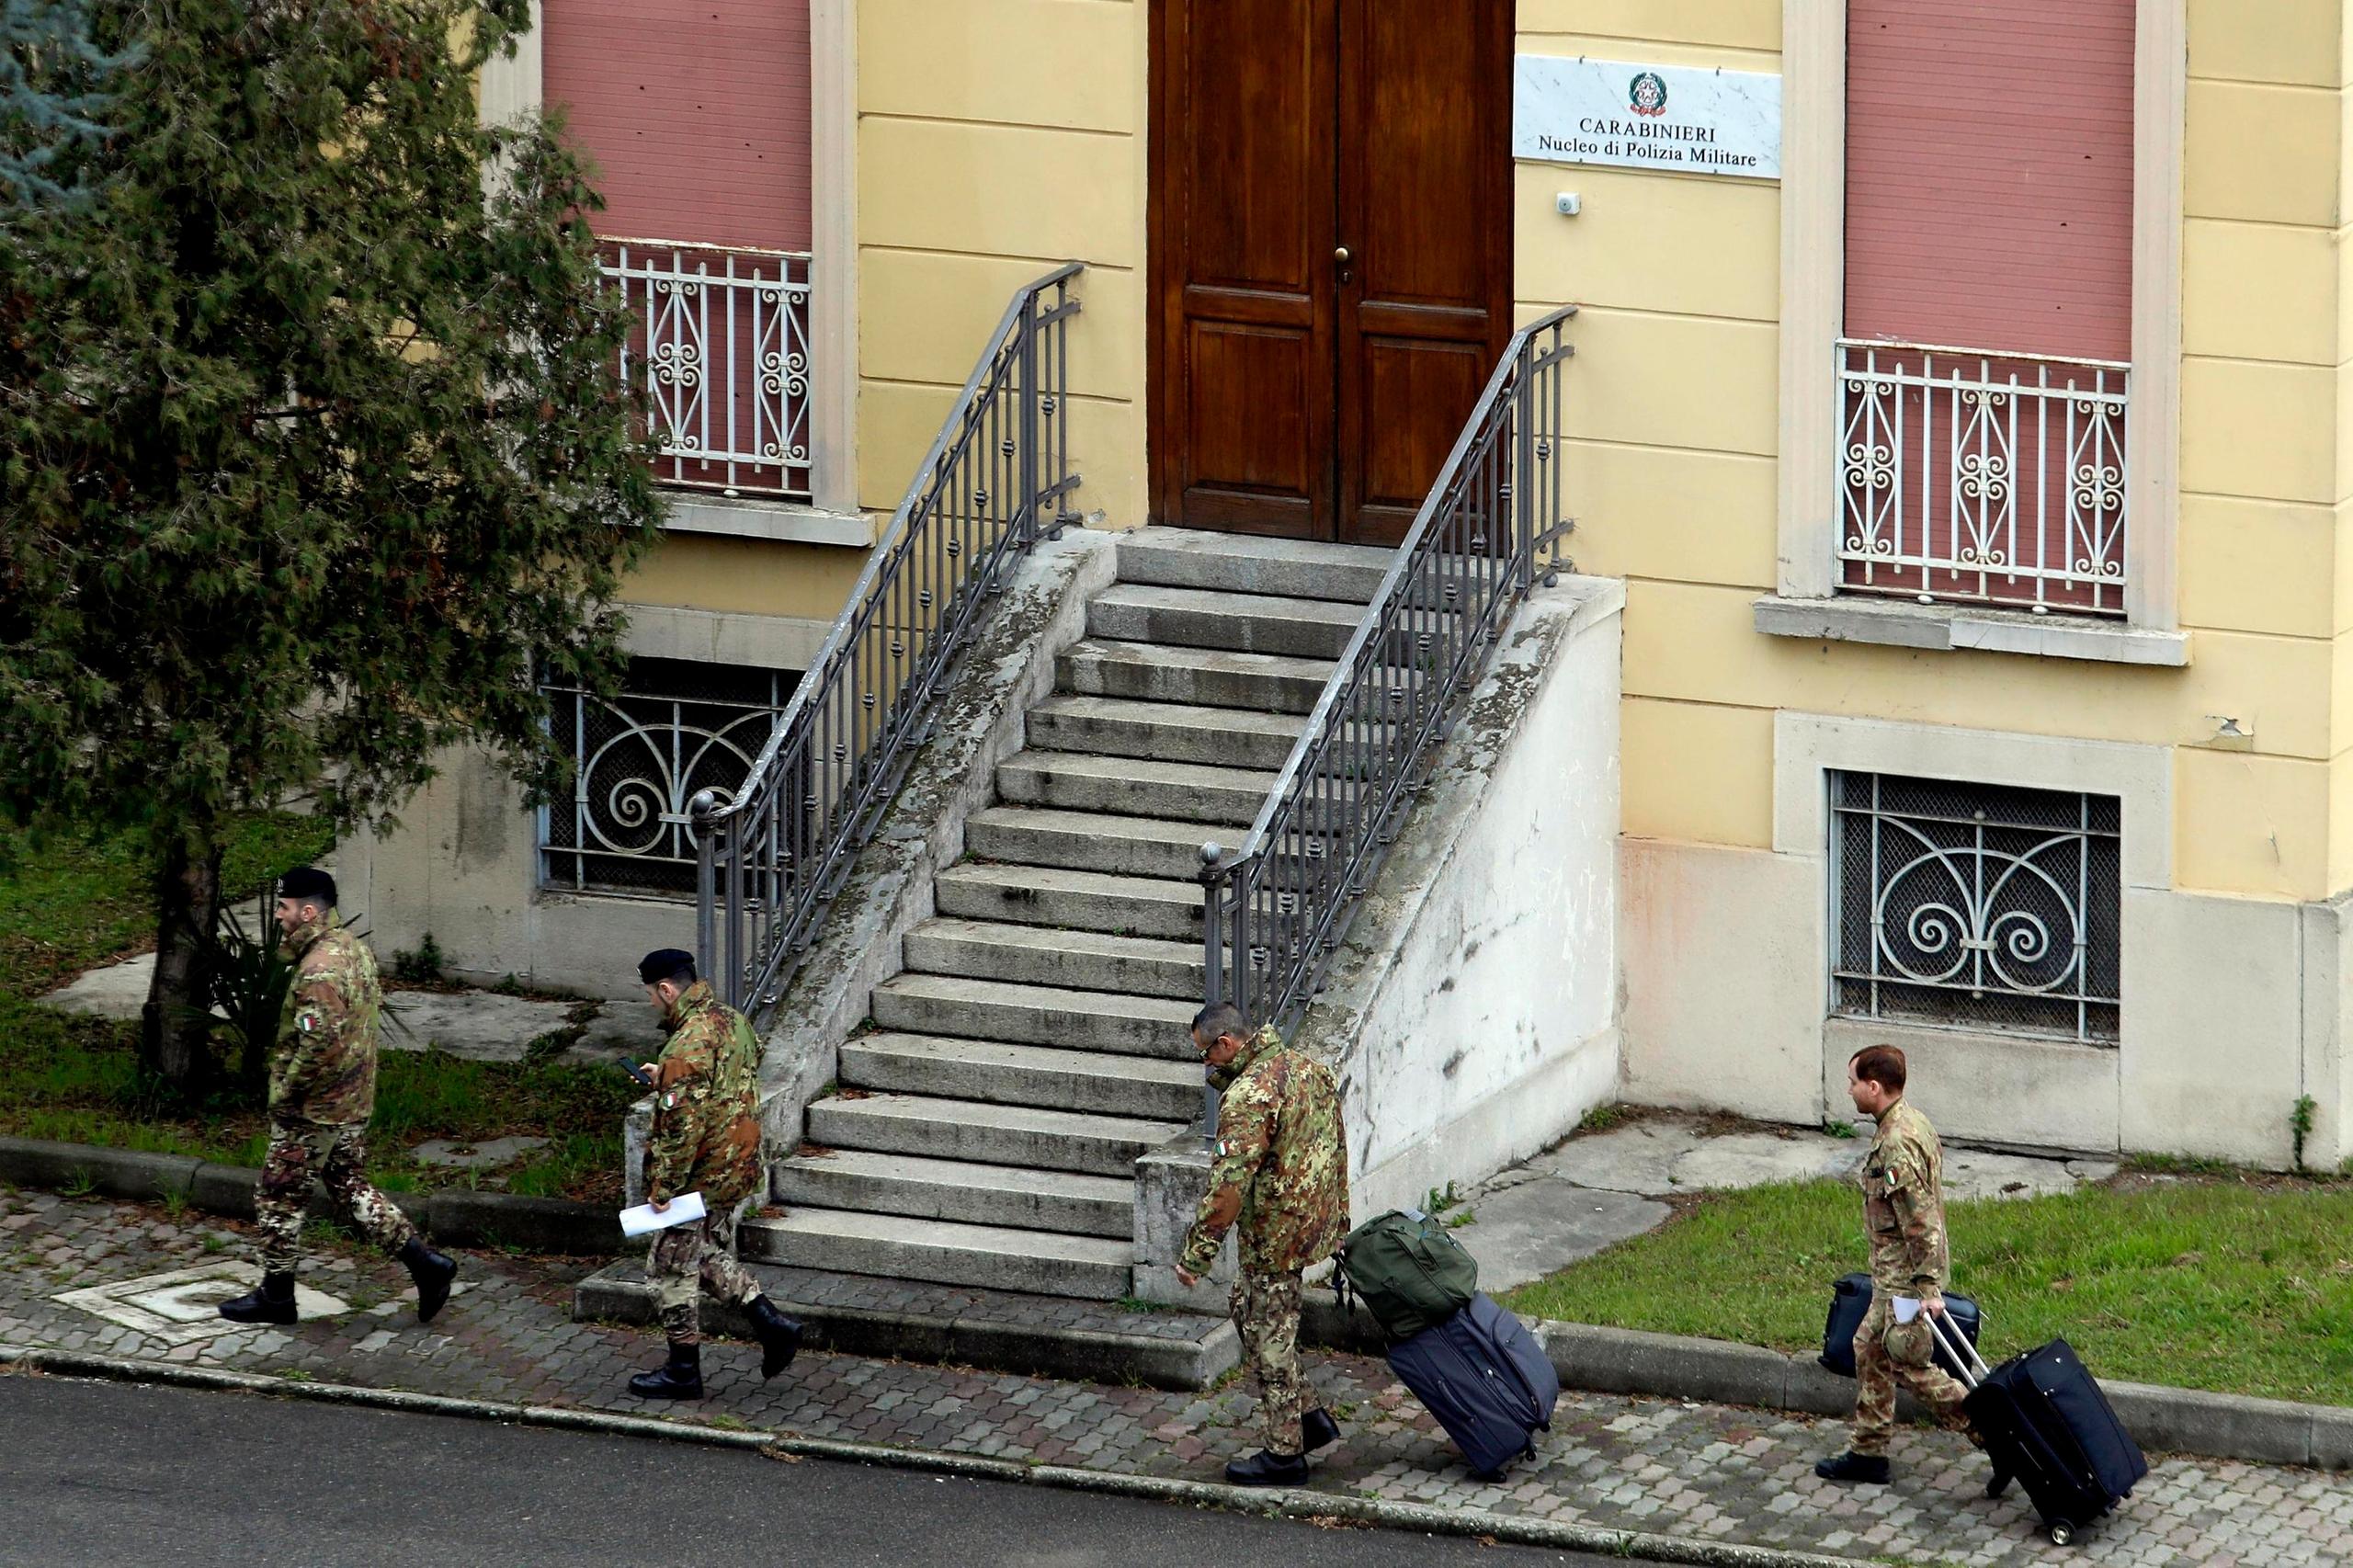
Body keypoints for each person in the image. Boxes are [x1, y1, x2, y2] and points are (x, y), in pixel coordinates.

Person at [219, 868, 458, 1325]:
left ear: (309, 911)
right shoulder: (354, 950)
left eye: (284, 909)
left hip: (314, 1108)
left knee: (277, 1196)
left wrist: (285, 1092)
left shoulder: (318, 969)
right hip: (349, 1102)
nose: (280, 919)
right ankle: (427, 1266)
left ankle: (276, 1295)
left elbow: (319, 1044)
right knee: (350, 1188)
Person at [1173, 1002, 1349, 1485]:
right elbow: (1336, 1150)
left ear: (1225, 1044)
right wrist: (1334, 1220)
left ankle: (1284, 1455)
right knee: (1246, 1311)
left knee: (1270, 1337)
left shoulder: (1249, 1095)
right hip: (1306, 1226)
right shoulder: (1308, 1070)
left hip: (1274, 1238)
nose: (1206, 1065)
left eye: (1205, 1055)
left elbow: (1229, 1184)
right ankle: (1308, 1418)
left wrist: (1196, 1254)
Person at [627, 948, 803, 1399]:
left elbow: (681, 1124)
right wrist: (666, 1075)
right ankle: (772, 1324)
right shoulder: (731, 1020)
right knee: (700, 1255)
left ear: (667, 990)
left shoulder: (687, 1042)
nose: (651, 1002)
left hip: (697, 1176)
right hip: (735, 1167)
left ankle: (683, 1372)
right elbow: (729, 1076)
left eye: (651, 994)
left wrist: (663, 1186)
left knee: (668, 1271)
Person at [1815, 1043, 1977, 1484]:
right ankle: (1868, 1451)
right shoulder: (1909, 1120)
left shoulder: (1896, 1144)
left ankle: (1991, 1431)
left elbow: (1920, 1220)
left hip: (1904, 1281)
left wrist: (1927, 1287)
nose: (1848, 1091)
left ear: (1873, 1086)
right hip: (1892, 1278)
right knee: (1868, 1347)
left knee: (1909, 1364)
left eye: (1852, 1083)